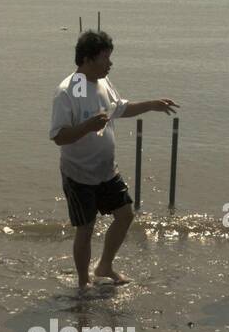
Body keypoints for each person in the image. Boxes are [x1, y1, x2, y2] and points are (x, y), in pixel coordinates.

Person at [49, 30, 178, 287]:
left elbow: (120, 108)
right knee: (85, 228)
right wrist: (86, 127)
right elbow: (59, 136)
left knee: (125, 215)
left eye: (110, 58)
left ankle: (104, 265)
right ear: (87, 59)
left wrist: (151, 104)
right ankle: (84, 282)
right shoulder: (67, 91)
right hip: (78, 173)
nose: (110, 63)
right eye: (105, 58)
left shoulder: (103, 82)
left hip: (106, 171)